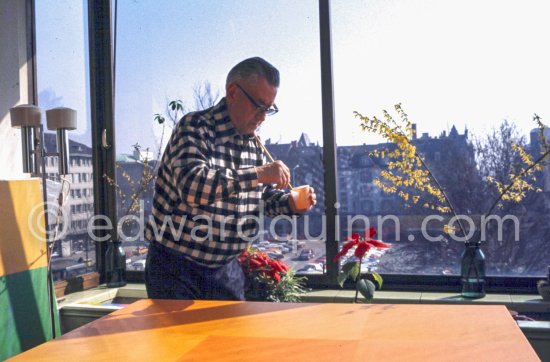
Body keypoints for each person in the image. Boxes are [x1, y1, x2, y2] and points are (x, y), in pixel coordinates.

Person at [144, 57, 316, 300]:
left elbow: (261, 199)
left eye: (269, 108)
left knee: (232, 338)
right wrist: (259, 174)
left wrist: (291, 203)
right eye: (258, 105)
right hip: (177, 270)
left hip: (226, 269)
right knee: (178, 339)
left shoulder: (254, 144)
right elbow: (194, 187)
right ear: (233, 92)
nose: (263, 117)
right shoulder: (195, 128)